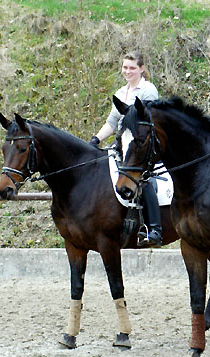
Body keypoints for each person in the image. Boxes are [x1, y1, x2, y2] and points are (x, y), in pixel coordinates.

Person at [90, 51, 162, 247]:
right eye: (125, 67)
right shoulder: (121, 93)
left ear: (142, 69)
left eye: (132, 68)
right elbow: (112, 122)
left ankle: (154, 228)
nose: (128, 71)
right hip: (122, 143)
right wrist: (95, 139)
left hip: (141, 144)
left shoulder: (148, 90)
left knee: (144, 180)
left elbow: (147, 118)